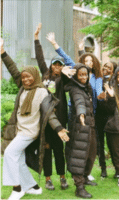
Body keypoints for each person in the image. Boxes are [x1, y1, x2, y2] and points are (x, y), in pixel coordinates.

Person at [1, 37, 69, 200]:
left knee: (10, 153)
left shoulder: (41, 92)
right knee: (18, 158)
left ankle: (17, 188)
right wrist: (2, 52)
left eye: (28, 77)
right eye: (23, 77)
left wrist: (59, 128)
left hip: (30, 132)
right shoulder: (23, 88)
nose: (25, 79)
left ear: (35, 77)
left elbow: (49, 113)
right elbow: (13, 69)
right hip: (19, 130)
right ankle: (33, 186)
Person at [47, 32, 102, 180]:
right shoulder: (77, 74)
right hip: (77, 113)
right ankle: (77, 176)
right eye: (86, 60)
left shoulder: (96, 78)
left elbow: (97, 93)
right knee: (78, 146)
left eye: (91, 61)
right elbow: (78, 98)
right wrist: (54, 44)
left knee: (91, 147)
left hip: (92, 115)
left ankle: (84, 174)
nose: (89, 63)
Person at [34, 23, 75, 190]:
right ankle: (48, 179)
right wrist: (36, 38)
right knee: (47, 149)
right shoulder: (45, 74)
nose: (57, 67)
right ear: (51, 66)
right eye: (55, 65)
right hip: (45, 120)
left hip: (59, 120)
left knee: (59, 149)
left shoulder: (64, 78)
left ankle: (63, 178)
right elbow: (39, 57)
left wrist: (55, 44)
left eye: (60, 65)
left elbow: (72, 65)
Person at [64, 63, 97, 198]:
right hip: (79, 127)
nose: (84, 77)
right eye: (81, 75)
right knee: (79, 156)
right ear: (76, 76)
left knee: (91, 154)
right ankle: (79, 187)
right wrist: (81, 114)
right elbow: (79, 103)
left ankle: (84, 177)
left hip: (90, 126)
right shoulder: (76, 89)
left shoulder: (85, 87)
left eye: (85, 74)